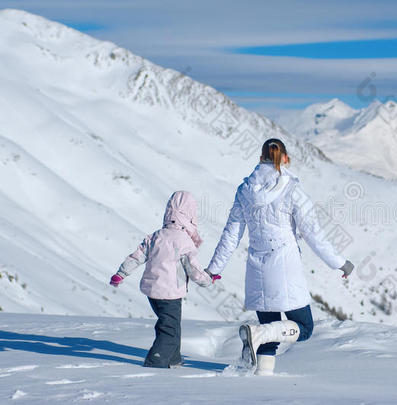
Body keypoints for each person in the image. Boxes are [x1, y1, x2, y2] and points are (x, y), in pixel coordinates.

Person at [206, 139, 354, 376]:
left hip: (256, 268)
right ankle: (259, 336)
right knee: (304, 328)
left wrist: (214, 268)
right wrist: (339, 262)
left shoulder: (244, 190)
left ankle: (264, 378)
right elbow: (313, 234)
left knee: (270, 331)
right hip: (285, 267)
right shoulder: (293, 190)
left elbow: (231, 234)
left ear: (260, 158)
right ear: (285, 158)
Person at [109, 191, 214, 368]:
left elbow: (137, 257)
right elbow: (193, 269)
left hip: (153, 292)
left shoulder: (157, 235)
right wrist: (208, 279)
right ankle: (156, 361)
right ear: (190, 216)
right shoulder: (184, 241)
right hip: (170, 292)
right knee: (169, 329)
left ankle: (174, 358)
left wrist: (121, 274)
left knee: (169, 324)